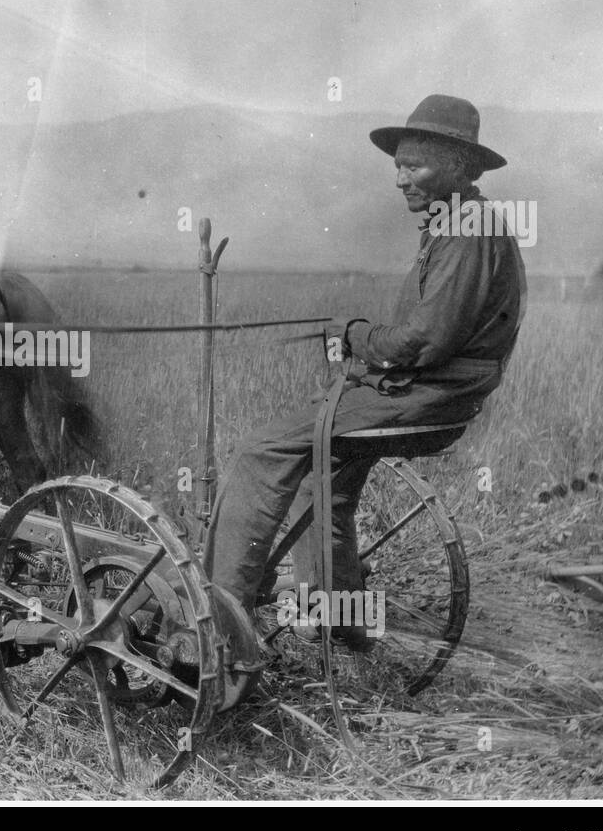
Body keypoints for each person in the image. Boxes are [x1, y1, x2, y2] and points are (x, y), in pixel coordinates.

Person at [206, 94, 527, 653]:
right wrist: (363, 339)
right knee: (321, 477)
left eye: (414, 166)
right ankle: (340, 615)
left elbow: (423, 342)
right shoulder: (458, 223)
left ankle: (217, 624)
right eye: (398, 166)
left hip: (427, 396)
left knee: (262, 450)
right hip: (430, 392)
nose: (400, 179)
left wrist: (355, 334)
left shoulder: (467, 232)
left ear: (459, 165)